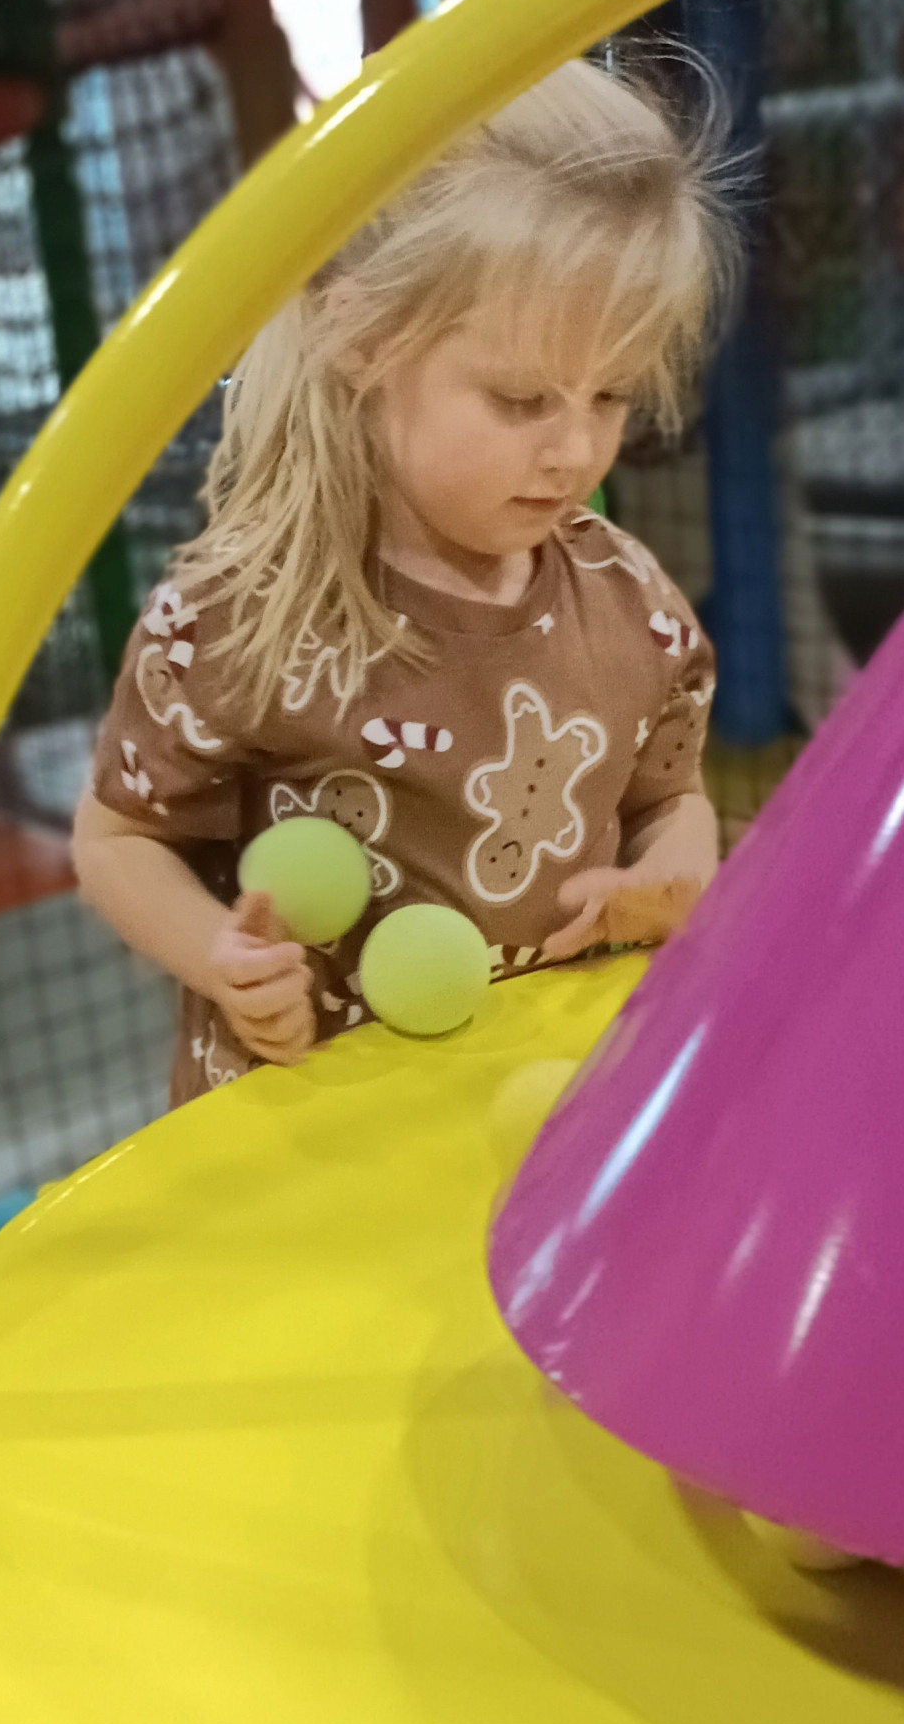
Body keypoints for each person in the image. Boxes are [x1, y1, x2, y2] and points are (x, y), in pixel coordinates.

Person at [73, 55, 736, 1102]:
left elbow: (668, 796)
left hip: (530, 1106)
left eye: (609, 395)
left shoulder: (627, 602)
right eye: (520, 400)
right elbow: (117, 836)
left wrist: (671, 879)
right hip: (313, 1125)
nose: (576, 451)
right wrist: (218, 955)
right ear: (363, 337)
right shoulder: (245, 618)